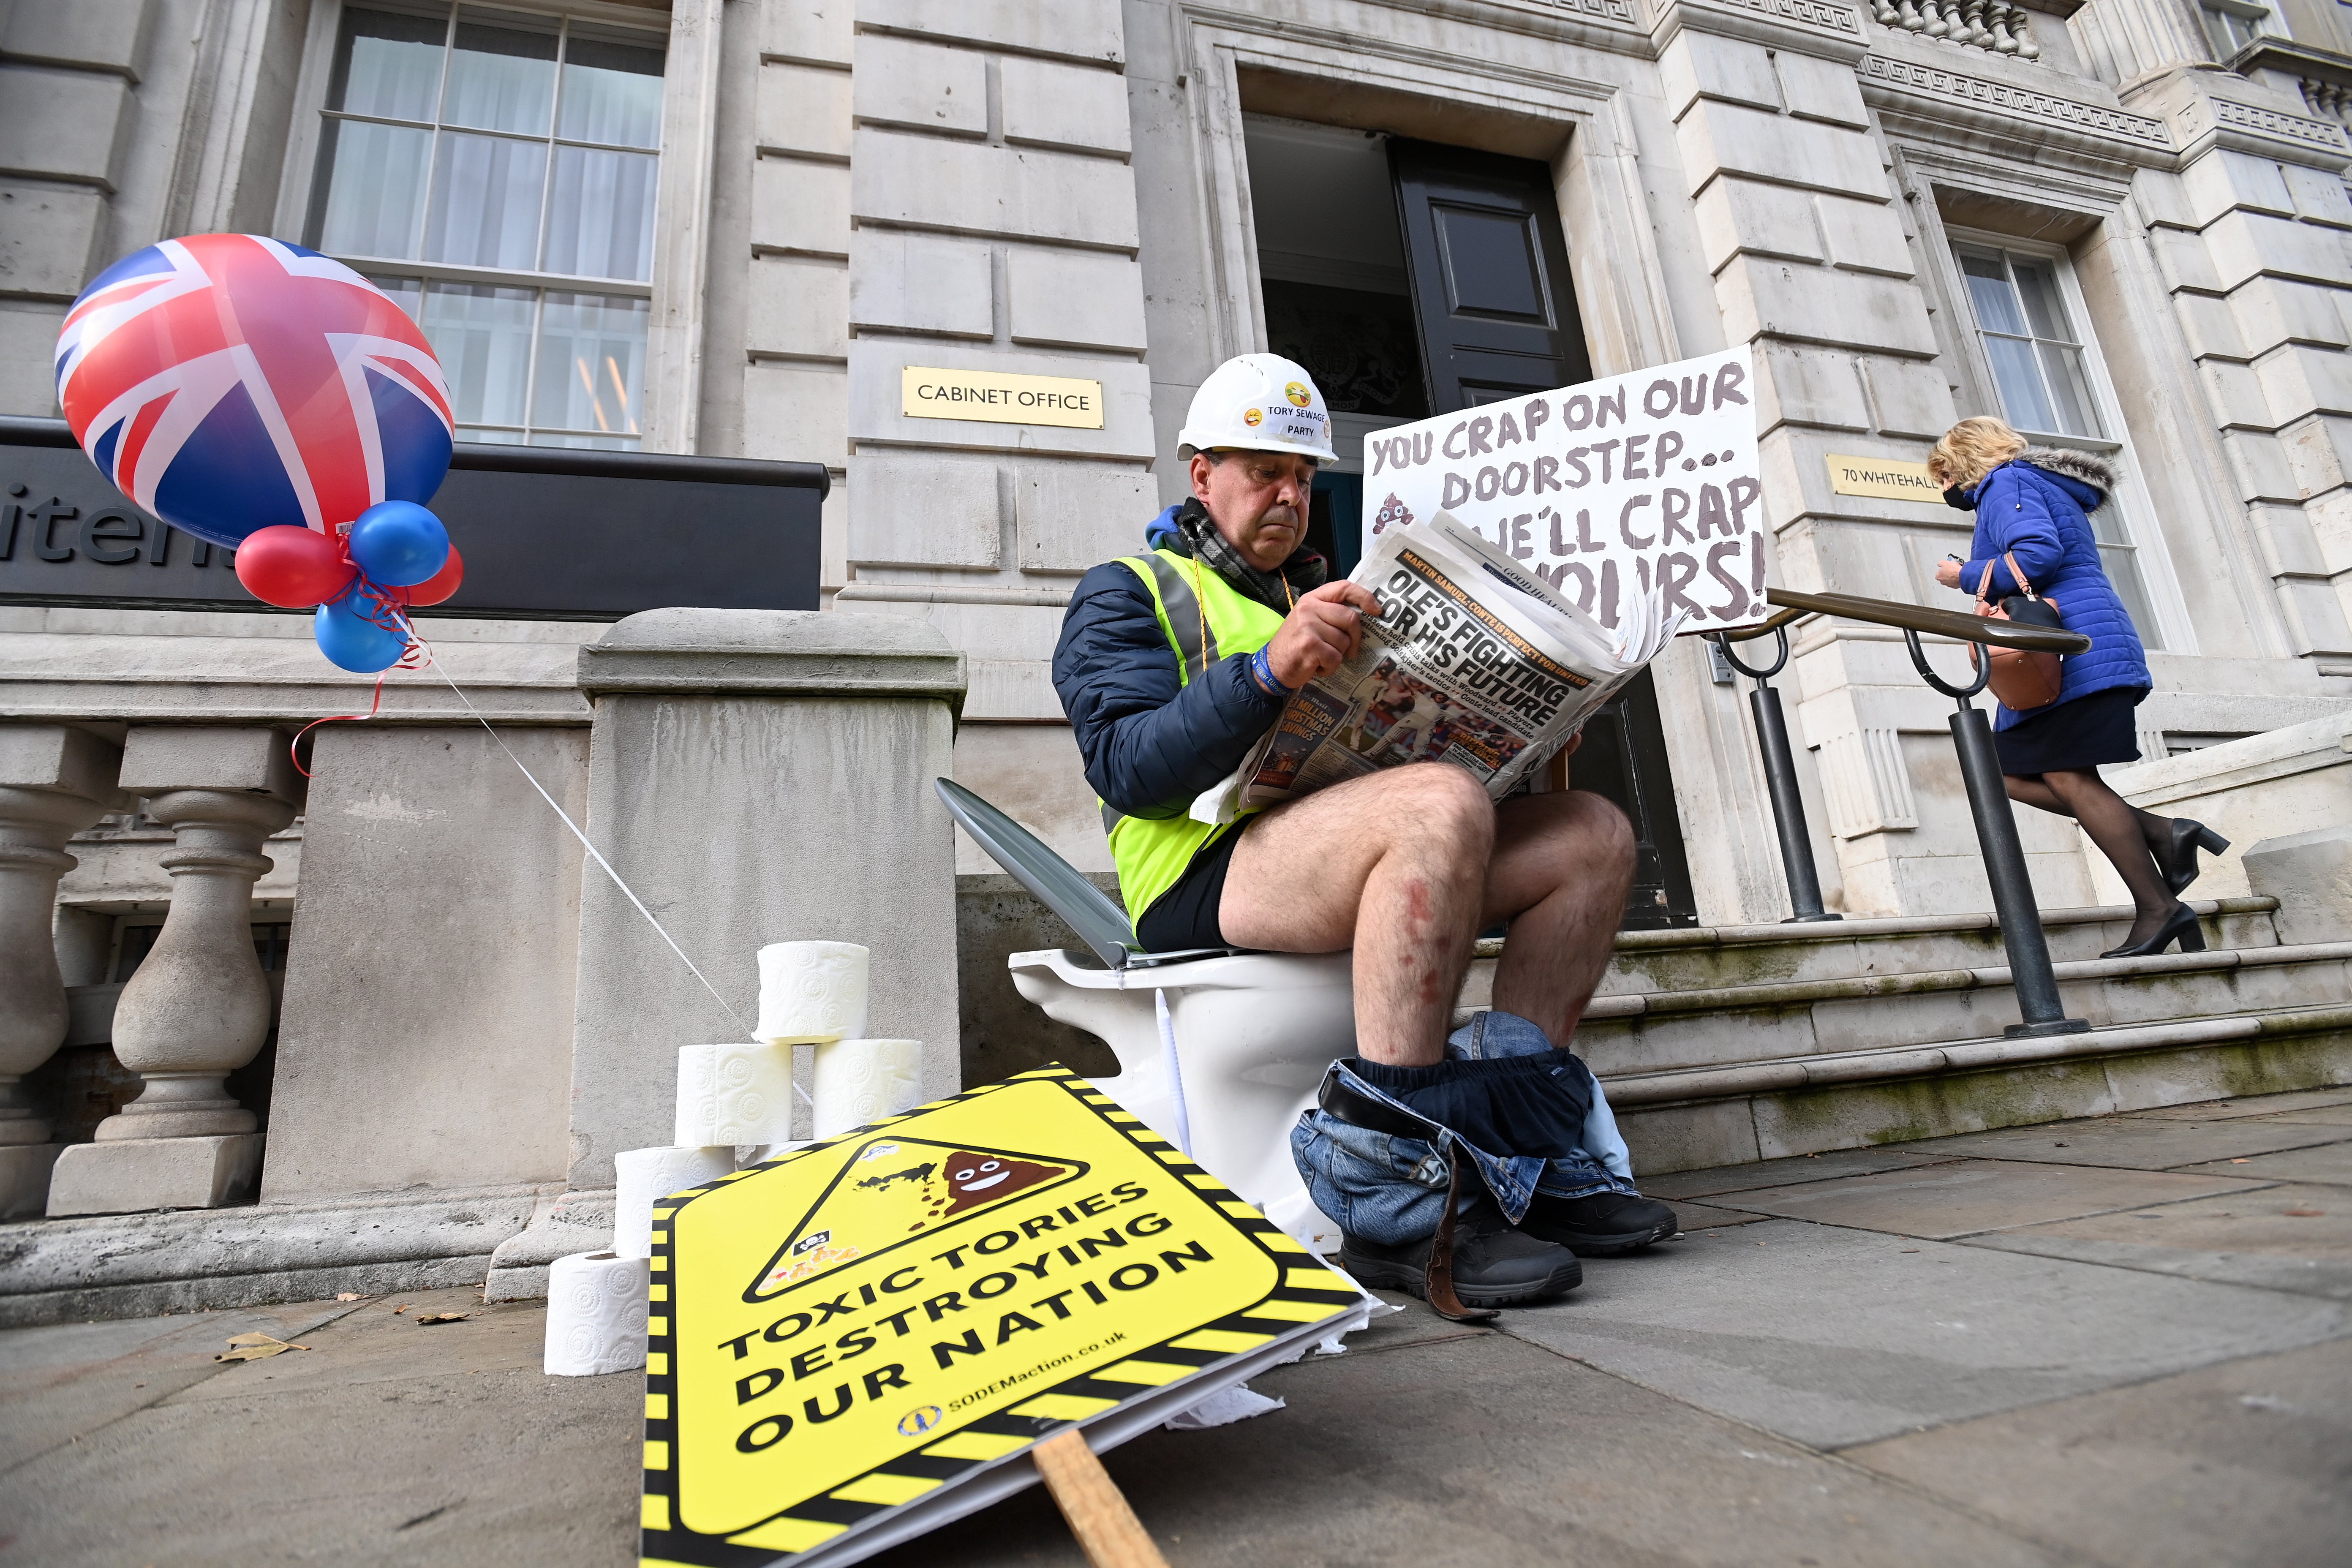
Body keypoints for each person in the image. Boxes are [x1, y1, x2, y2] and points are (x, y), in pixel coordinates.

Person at [1051, 354, 1679, 1317]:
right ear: (1200, 473)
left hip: (1338, 845)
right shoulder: (1128, 588)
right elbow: (1125, 766)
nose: (1289, 494)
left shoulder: (1344, 594)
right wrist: (1266, 670)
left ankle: (1522, 1150)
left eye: (1302, 477)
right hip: (1199, 875)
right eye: (1264, 470)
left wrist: (1543, 727)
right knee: (1434, 805)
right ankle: (1394, 1204)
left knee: (1589, 833)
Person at [1927, 416, 2229, 956]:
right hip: (2072, 651)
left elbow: (2037, 555)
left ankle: (2159, 905)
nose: (1946, 489)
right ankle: (2166, 836)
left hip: (2071, 654)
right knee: (2008, 772)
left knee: (2060, 774)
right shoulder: (2029, 484)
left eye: (1944, 475)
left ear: (1964, 461)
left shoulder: (2007, 483)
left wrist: (1965, 575)